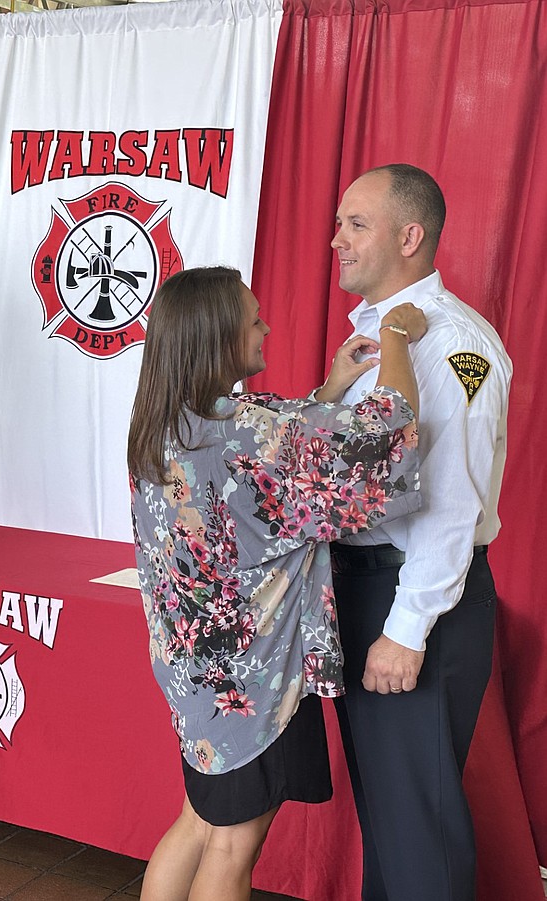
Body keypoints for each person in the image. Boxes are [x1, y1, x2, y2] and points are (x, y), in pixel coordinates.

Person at [128, 266, 427, 901]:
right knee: (233, 845)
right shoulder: (250, 434)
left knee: (197, 820)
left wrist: (331, 386)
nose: (266, 327)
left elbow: (271, 449)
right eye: (253, 319)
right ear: (218, 339)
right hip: (253, 683)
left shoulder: (168, 420)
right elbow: (386, 434)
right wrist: (398, 337)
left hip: (194, 674)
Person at [324, 164, 512, 901]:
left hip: (417, 598)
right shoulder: (375, 337)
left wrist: (406, 628)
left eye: (355, 224)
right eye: (339, 223)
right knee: (393, 824)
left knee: (418, 831)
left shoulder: (456, 346)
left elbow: (451, 504)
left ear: (410, 235)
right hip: (364, 586)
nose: (336, 239)